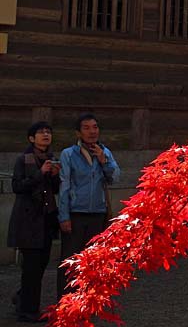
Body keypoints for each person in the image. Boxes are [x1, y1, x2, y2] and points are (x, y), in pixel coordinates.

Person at [57, 113, 120, 298]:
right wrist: (64, 216)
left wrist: (103, 161)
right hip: (75, 214)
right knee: (70, 261)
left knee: (93, 261)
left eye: (95, 127)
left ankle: (87, 303)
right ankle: (65, 303)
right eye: (86, 128)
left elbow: (115, 178)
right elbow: (64, 185)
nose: (92, 131)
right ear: (78, 132)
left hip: (98, 213)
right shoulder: (69, 154)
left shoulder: (105, 152)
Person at [7, 122, 61, 323]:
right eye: (41, 133)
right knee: (30, 267)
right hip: (28, 221)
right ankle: (28, 311)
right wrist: (40, 173)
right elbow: (17, 186)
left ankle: (22, 298)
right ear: (31, 139)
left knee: (40, 266)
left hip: (46, 220)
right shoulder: (23, 159)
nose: (46, 135)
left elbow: (54, 189)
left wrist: (55, 177)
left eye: (48, 132)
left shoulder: (52, 159)